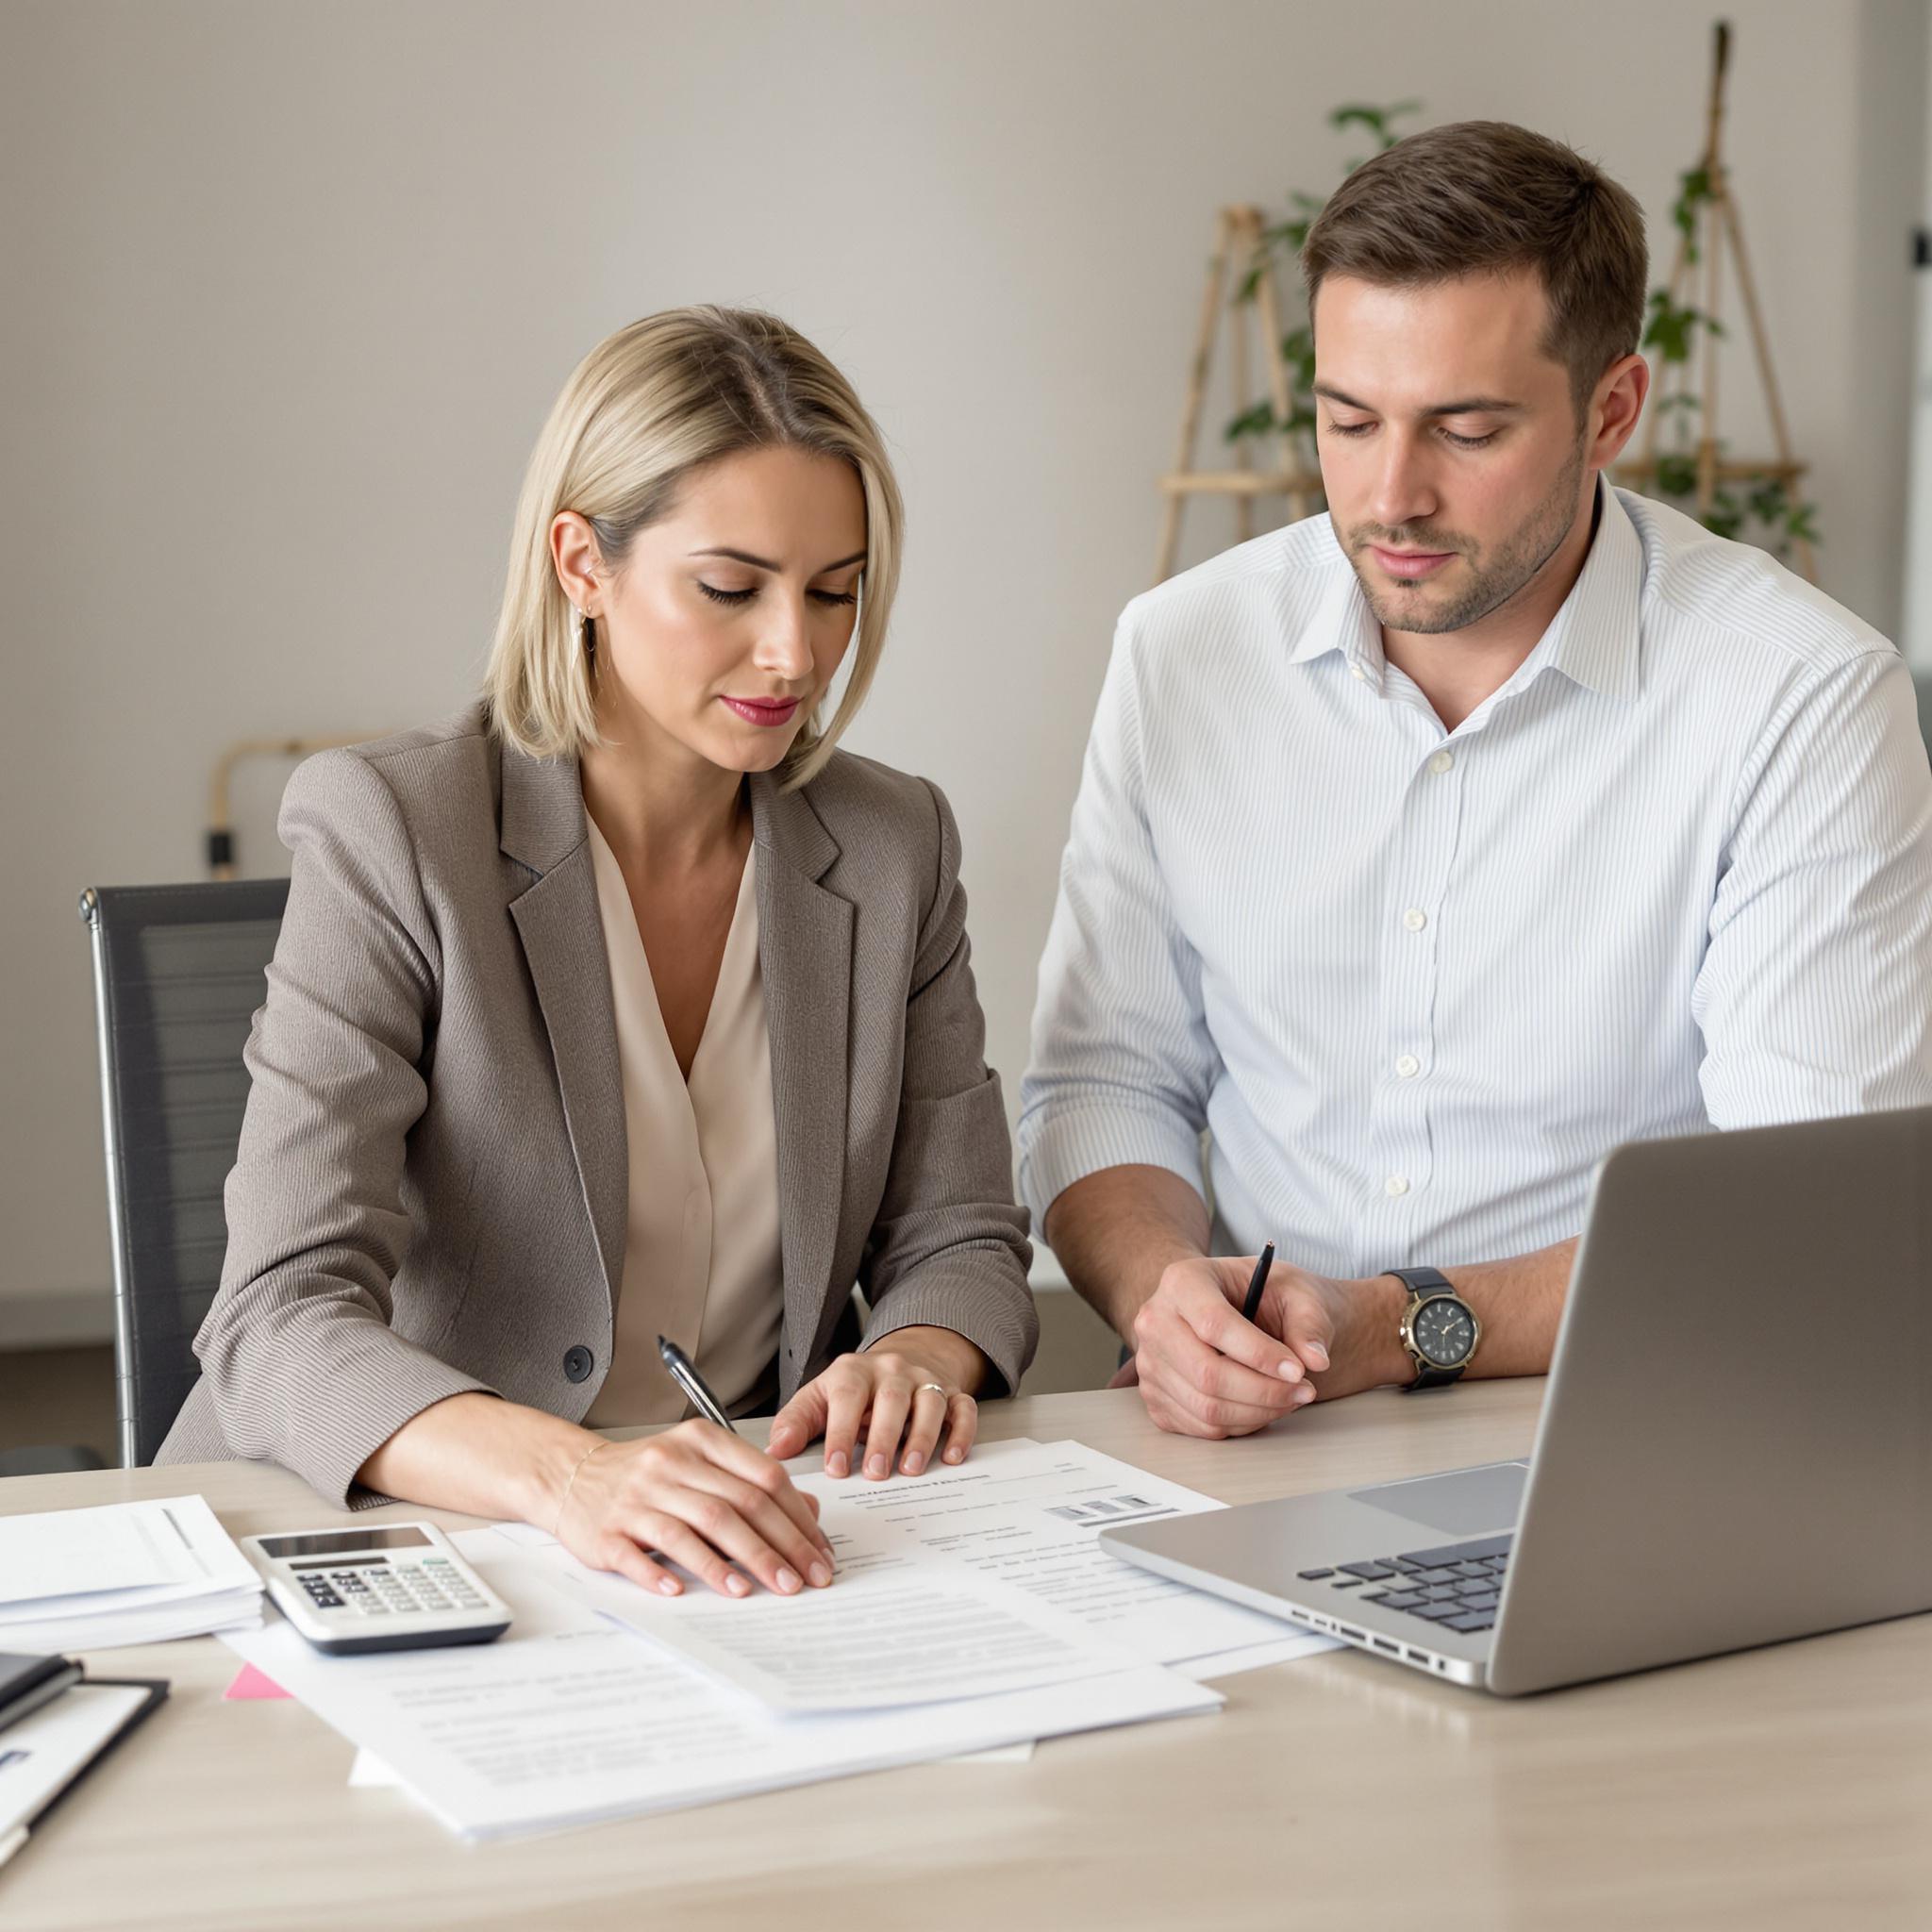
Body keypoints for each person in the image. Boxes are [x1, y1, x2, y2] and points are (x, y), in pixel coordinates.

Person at [1020, 121, 1932, 1440]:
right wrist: (1173, 1301)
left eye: (1467, 428)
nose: (1392, 496)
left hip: (1637, 1424)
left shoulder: (1799, 699)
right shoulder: (1184, 653)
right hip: (1264, 1428)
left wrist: (1393, 1328)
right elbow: (1106, 1083)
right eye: (1347, 419)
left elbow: (1795, 1216)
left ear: (1612, 410)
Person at [158, 308, 1038, 1598]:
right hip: (419, 1528)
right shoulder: (396, 829)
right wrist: (570, 1474)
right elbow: (279, 1317)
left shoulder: (893, 842)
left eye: (835, 590)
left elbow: (960, 1235)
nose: (795, 651)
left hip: (745, 1548)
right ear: (581, 563)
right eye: (730, 588)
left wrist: (912, 1356)